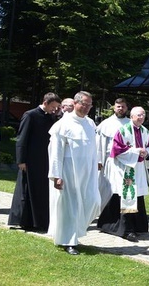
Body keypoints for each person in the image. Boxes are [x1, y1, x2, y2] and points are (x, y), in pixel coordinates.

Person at [47, 91, 101, 255]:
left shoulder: (90, 123)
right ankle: (68, 241)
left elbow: (94, 146)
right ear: (76, 103)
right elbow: (56, 152)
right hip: (69, 169)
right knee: (69, 206)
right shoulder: (63, 124)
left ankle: (77, 231)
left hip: (87, 169)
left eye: (89, 105)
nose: (86, 108)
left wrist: (97, 162)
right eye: (83, 104)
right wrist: (57, 175)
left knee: (93, 201)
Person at [97, 106, 149, 242]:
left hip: (138, 168)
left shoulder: (145, 131)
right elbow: (116, 149)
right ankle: (126, 229)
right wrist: (136, 152)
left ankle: (138, 226)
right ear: (132, 116)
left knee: (137, 195)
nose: (141, 117)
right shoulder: (123, 131)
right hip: (126, 168)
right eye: (139, 115)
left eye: (143, 115)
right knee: (127, 195)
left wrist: (147, 153)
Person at [7, 92, 61, 231]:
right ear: (46, 102)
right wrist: (21, 160)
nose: (54, 110)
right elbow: (22, 139)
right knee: (27, 190)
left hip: (44, 160)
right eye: (53, 107)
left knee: (41, 191)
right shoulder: (30, 115)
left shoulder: (51, 118)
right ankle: (24, 220)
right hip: (30, 159)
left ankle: (39, 221)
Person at [96, 98, 130, 210]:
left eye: (123, 106)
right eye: (118, 106)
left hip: (128, 163)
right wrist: (99, 160)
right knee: (110, 188)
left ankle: (125, 216)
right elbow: (99, 144)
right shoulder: (106, 124)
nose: (120, 109)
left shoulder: (131, 124)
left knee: (125, 188)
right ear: (114, 108)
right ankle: (108, 218)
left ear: (127, 108)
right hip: (111, 162)